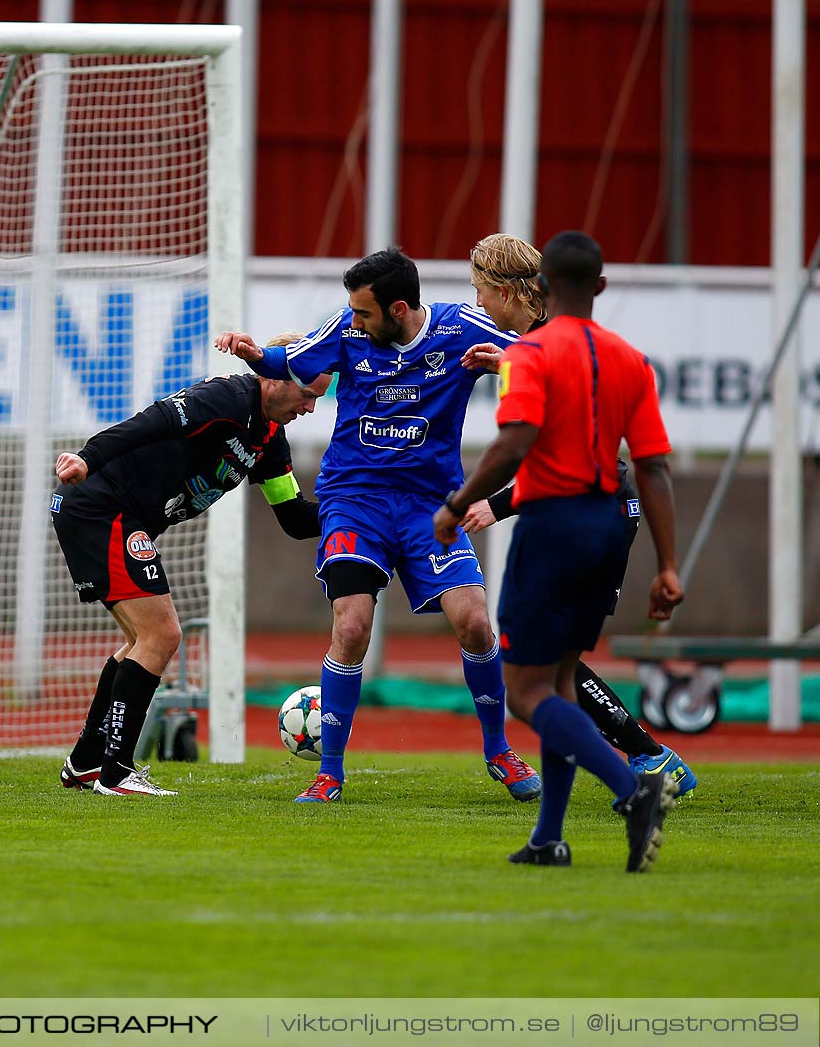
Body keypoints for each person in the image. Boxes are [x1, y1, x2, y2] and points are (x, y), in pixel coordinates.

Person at [216, 248, 544, 805]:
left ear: (398, 309)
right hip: (353, 501)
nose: (355, 322)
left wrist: (507, 365)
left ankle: (499, 752)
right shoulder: (347, 329)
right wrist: (253, 354)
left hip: (428, 506)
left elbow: (544, 360)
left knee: (474, 622)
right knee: (351, 627)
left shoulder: (462, 327)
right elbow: (286, 361)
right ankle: (329, 773)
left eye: (365, 314)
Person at [434, 230, 682, 872]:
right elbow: (652, 469)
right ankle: (549, 838)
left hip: (554, 526)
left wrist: (458, 504)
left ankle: (635, 787)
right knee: (562, 682)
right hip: (609, 523)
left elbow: (515, 443)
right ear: (600, 286)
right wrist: (669, 564)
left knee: (524, 691)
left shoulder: (532, 354)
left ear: (541, 289)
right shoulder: (630, 359)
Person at [53, 335, 333, 797]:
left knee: (142, 641)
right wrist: (87, 457)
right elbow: (152, 421)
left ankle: (86, 764)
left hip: (119, 517)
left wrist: (359, 511)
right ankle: (117, 773)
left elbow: (294, 518)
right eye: (307, 395)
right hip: (99, 507)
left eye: (317, 398)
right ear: (275, 376)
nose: (309, 409)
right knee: (161, 635)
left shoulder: (268, 441)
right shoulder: (228, 398)